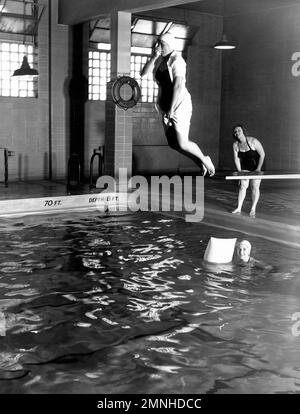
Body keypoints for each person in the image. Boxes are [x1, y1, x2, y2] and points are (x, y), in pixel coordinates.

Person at [140, 32, 215, 177]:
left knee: (182, 143)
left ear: (167, 44)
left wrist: (172, 109)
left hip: (179, 106)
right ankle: (201, 161)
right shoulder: (159, 60)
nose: (157, 46)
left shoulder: (177, 60)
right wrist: (154, 56)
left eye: (160, 44)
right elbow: (143, 73)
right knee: (173, 143)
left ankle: (205, 160)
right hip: (165, 107)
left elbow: (178, 86)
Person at [232, 125, 265, 217]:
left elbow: (262, 154)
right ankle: (239, 208)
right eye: (235, 132)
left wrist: (258, 169)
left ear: (243, 131)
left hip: (257, 165)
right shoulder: (235, 145)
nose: (237, 132)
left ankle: (253, 209)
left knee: (254, 187)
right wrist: (239, 173)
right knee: (243, 186)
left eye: (239, 130)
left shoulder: (253, 141)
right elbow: (236, 159)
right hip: (245, 166)